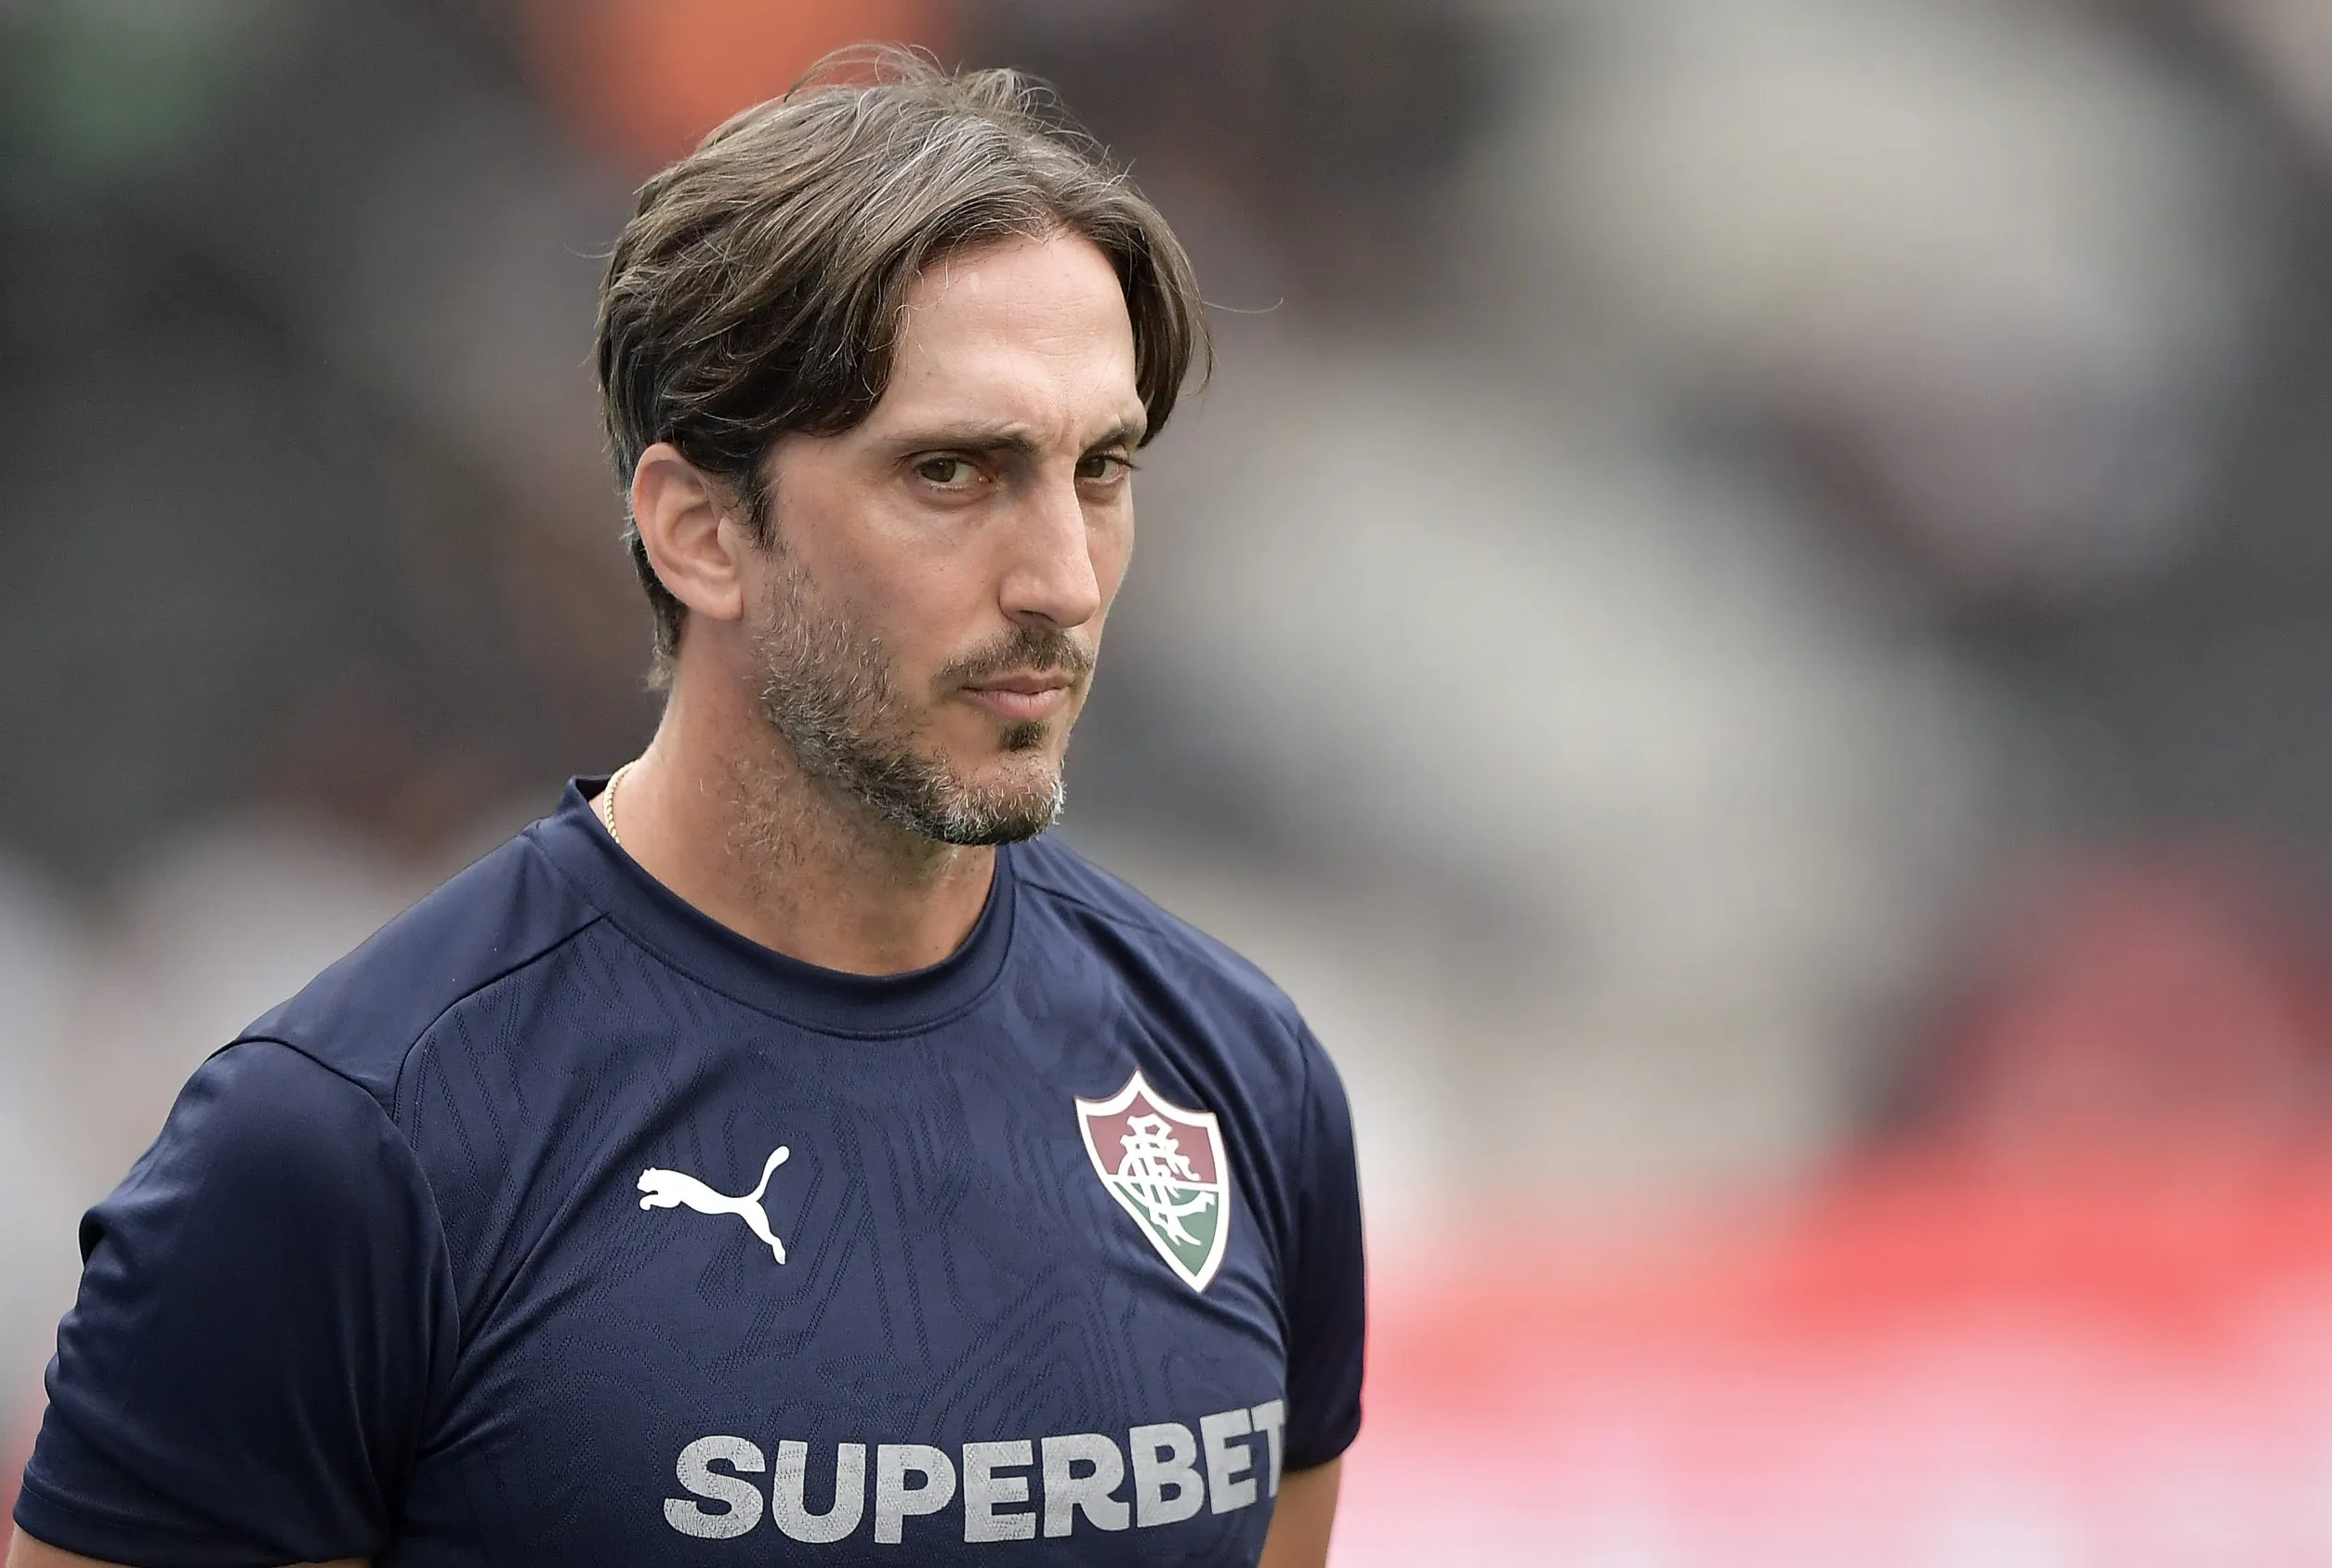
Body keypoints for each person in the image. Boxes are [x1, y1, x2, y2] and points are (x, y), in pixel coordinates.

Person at [7, 49, 1361, 1568]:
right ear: (700, 531)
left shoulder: (1243, 1076)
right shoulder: (344, 1148)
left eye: (1098, 468)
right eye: (951, 472)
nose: (1061, 579)